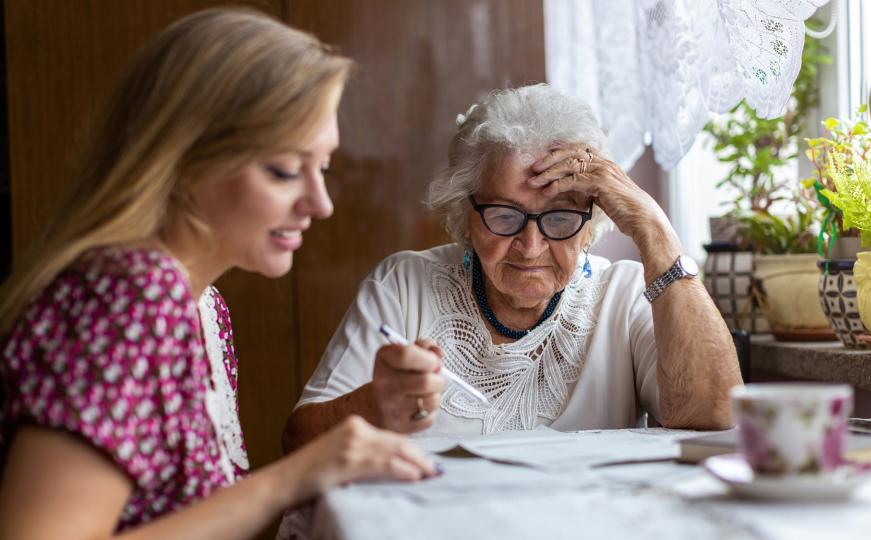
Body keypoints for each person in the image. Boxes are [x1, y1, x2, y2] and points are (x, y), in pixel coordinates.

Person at [0, 8, 439, 539]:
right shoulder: (130, 295)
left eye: (322, 168)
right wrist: (297, 474)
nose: (321, 204)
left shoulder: (204, 306)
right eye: (283, 170)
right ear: (184, 160)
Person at [282, 84, 743, 448]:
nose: (530, 245)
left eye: (560, 217)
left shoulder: (622, 296)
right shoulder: (405, 285)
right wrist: (373, 404)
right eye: (505, 216)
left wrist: (654, 230)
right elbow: (299, 441)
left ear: (590, 222)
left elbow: (718, 417)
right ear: (466, 215)